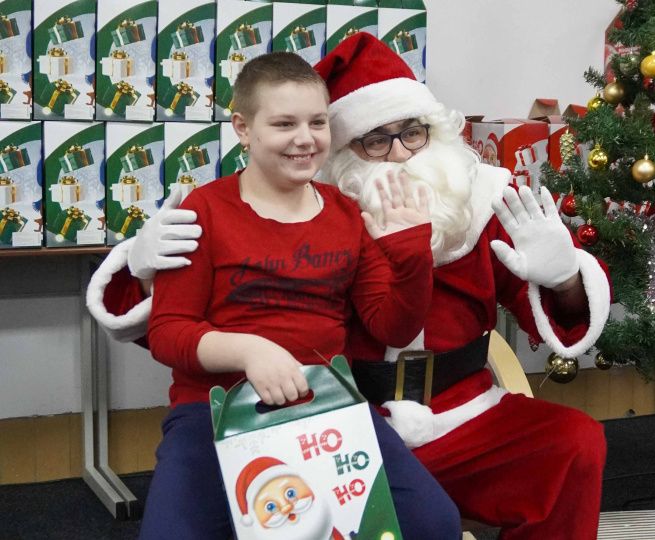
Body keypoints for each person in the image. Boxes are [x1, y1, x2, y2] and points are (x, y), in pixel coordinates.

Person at [88, 34, 612, 539]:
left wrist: (566, 277)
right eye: (376, 139)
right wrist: (141, 267)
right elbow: (172, 328)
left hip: (458, 415)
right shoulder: (304, 202)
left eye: (413, 132)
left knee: (571, 445)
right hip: (330, 410)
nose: (401, 154)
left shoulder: (482, 201)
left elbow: (422, 318)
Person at [130, 51, 462, 539]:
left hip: (325, 405)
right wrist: (250, 351)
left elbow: (393, 327)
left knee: (433, 523)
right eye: (284, 124)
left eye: (317, 122)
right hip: (213, 410)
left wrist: (412, 257)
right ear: (243, 128)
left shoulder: (347, 213)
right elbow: (167, 332)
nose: (305, 138)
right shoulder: (205, 210)